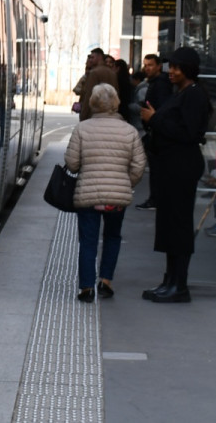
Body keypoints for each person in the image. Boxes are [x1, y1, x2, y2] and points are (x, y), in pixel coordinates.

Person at [139, 47, 211, 303]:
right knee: (170, 225)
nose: (172, 72)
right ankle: (170, 280)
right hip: (172, 168)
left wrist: (155, 119)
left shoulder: (194, 96)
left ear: (188, 69)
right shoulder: (182, 93)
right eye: (172, 67)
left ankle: (179, 285)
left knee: (178, 226)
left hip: (181, 168)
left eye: (177, 68)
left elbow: (189, 134)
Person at [65, 83, 146, 302]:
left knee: (88, 241)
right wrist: (124, 183)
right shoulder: (129, 131)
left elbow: (72, 164)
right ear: (116, 103)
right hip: (116, 198)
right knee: (112, 236)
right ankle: (106, 281)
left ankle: (85, 288)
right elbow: (139, 166)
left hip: (88, 196)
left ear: (92, 103)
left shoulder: (82, 129)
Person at [135, 53, 173, 211]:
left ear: (158, 66)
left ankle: (156, 199)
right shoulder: (154, 82)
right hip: (153, 129)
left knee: (157, 169)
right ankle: (155, 198)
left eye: (150, 65)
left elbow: (162, 107)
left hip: (157, 130)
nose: (147, 68)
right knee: (155, 168)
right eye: (145, 65)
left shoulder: (161, 84)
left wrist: (153, 118)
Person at [79, 50, 118, 121]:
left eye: (92, 57)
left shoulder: (94, 73)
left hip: (95, 115)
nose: (90, 60)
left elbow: (89, 95)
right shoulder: (112, 73)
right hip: (110, 114)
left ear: (99, 57)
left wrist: (83, 116)